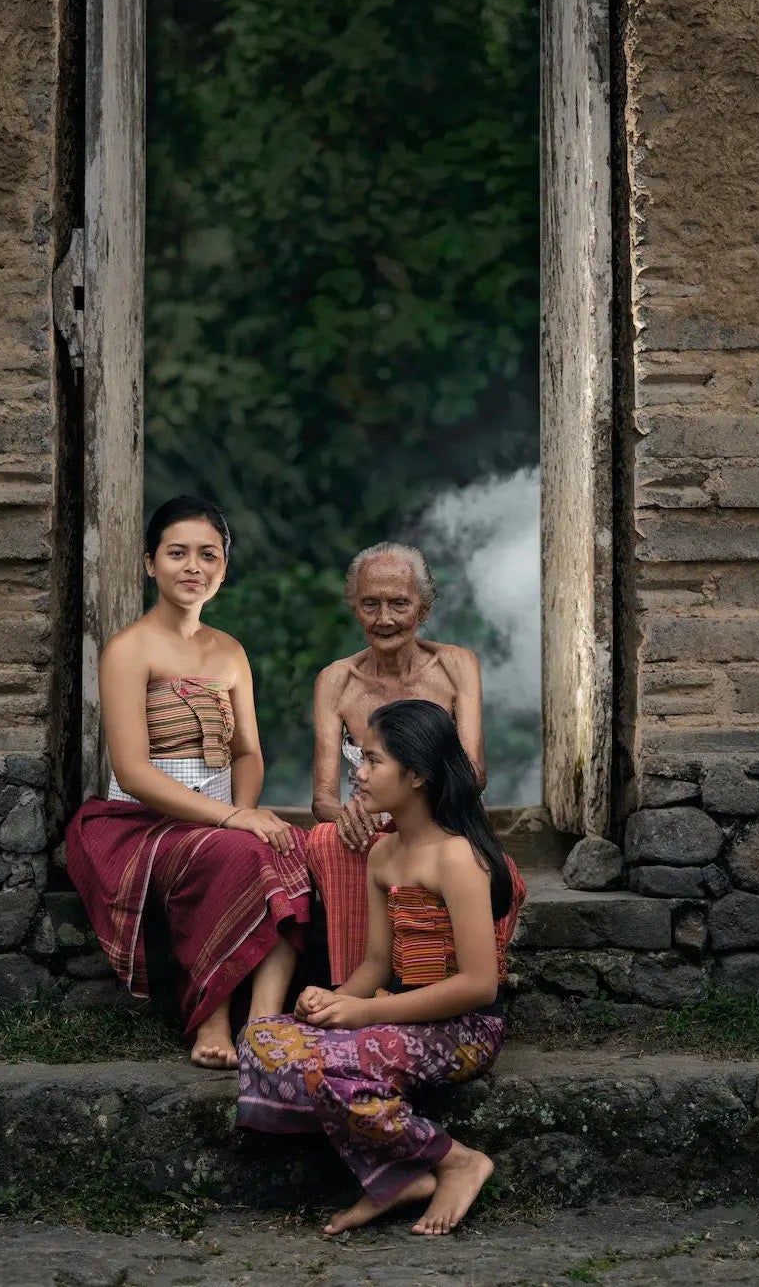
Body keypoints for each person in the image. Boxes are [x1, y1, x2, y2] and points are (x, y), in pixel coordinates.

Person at [238, 698, 525, 1237]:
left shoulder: (458, 856)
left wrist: (366, 1014)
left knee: (331, 1064)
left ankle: (456, 1160)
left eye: (372, 761)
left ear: (416, 775)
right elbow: (376, 963)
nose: (358, 773)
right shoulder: (383, 853)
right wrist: (334, 998)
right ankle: (395, 1178)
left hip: (464, 1027)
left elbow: (479, 984)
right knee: (264, 1038)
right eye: (359, 758)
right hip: (396, 1016)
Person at [63, 495, 310, 1070]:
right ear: (151, 563)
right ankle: (213, 1017)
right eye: (177, 553)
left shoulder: (230, 652)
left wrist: (242, 810)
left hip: (218, 818)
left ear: (224, 567)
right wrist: (231, 820)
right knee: (230, 852)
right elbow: (132, 771)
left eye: (208, 555)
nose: (193, 567)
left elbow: (248, 751)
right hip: (140, 822)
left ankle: (264, 1020)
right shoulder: (129, 649)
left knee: (293, 847)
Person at [304, 543, 485, 985]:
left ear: (423, 609)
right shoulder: (337, 680)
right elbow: (323, 798)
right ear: (355, 608)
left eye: (399, 603)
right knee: (331, 840)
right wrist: (346, 814)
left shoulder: (455, 666)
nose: (384, 618)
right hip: (364, 822)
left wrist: (411, 812)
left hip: (439, 820)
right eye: (371, 604)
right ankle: (351, 988)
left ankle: (429, 987)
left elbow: (474, 775)